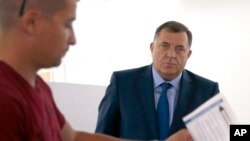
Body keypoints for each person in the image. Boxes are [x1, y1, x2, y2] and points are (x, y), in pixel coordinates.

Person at [0, 0, 192, 141]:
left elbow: (73, 137)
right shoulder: (5, 100)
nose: (73, 39)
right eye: (67, 24)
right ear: (32, 22)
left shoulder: (37, 86)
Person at [95, 20, 220, 141]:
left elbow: (219, 137)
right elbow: (100, 137)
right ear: (152, 48)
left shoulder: (207, 91)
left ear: (188, 54)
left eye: (180, 49)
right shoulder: (122, 83)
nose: (171, 55)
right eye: (164, 46)